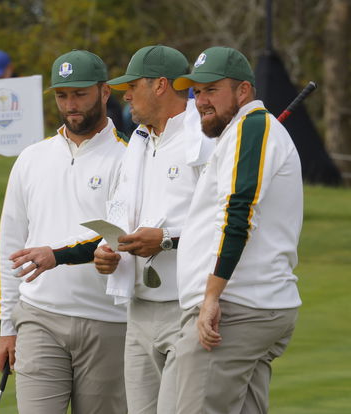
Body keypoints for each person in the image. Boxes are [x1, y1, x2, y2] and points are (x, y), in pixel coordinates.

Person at [14, 45, 213, 413]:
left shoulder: (202, 140)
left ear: (160, 86)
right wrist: (107, 253)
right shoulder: (139, 142)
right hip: (137, 307)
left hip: (186, 307)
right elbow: (121, 228)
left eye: (132, 86)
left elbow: (217, 224)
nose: (127, 95)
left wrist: (166, 241)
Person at [0, 50, 129, 413]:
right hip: (39, 316)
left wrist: (60, 256)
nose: (70, 105)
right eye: (62, 95)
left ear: (104, 93)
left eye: (80, 94)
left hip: (109, 322)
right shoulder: (31, 158)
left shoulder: (130, 157)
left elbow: (121, 237)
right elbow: (10, 244)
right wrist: (8, 325)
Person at [172, 46, 303, 414]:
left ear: (243, 91)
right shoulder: (243, 131)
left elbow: (238, 214)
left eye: (211, 90)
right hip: (250, 305)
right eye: (197, 92)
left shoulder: (253, 127)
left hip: (237, 308)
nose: (200, 101)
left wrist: (211, 296)